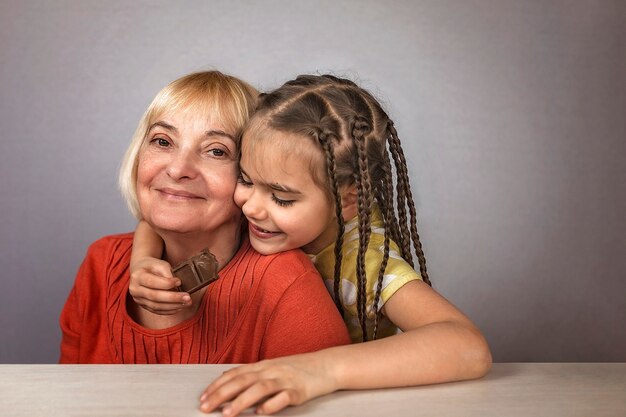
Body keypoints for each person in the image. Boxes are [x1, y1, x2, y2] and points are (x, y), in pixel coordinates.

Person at [130, 74, 492, 415]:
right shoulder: (266, 217)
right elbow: (158, 216)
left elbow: (467, 346)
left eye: (282, 199)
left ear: (349, 201)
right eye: (245, 180)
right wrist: (141, 262)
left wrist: (320, 369)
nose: (251, 207)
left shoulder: (361, 259)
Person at [58, 71, 351, 364]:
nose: (178, 169)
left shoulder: (285, 285)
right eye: (162, 141)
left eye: (216, 151)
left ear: (254, 173)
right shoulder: (102, 262)